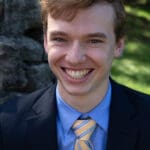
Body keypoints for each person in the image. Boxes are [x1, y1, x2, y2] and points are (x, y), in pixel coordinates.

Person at [0, 0, 150, 150]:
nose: (75, 58)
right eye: (60, 39)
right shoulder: (7, 125)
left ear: (118, 45)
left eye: (93, 41)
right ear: (45, 41)